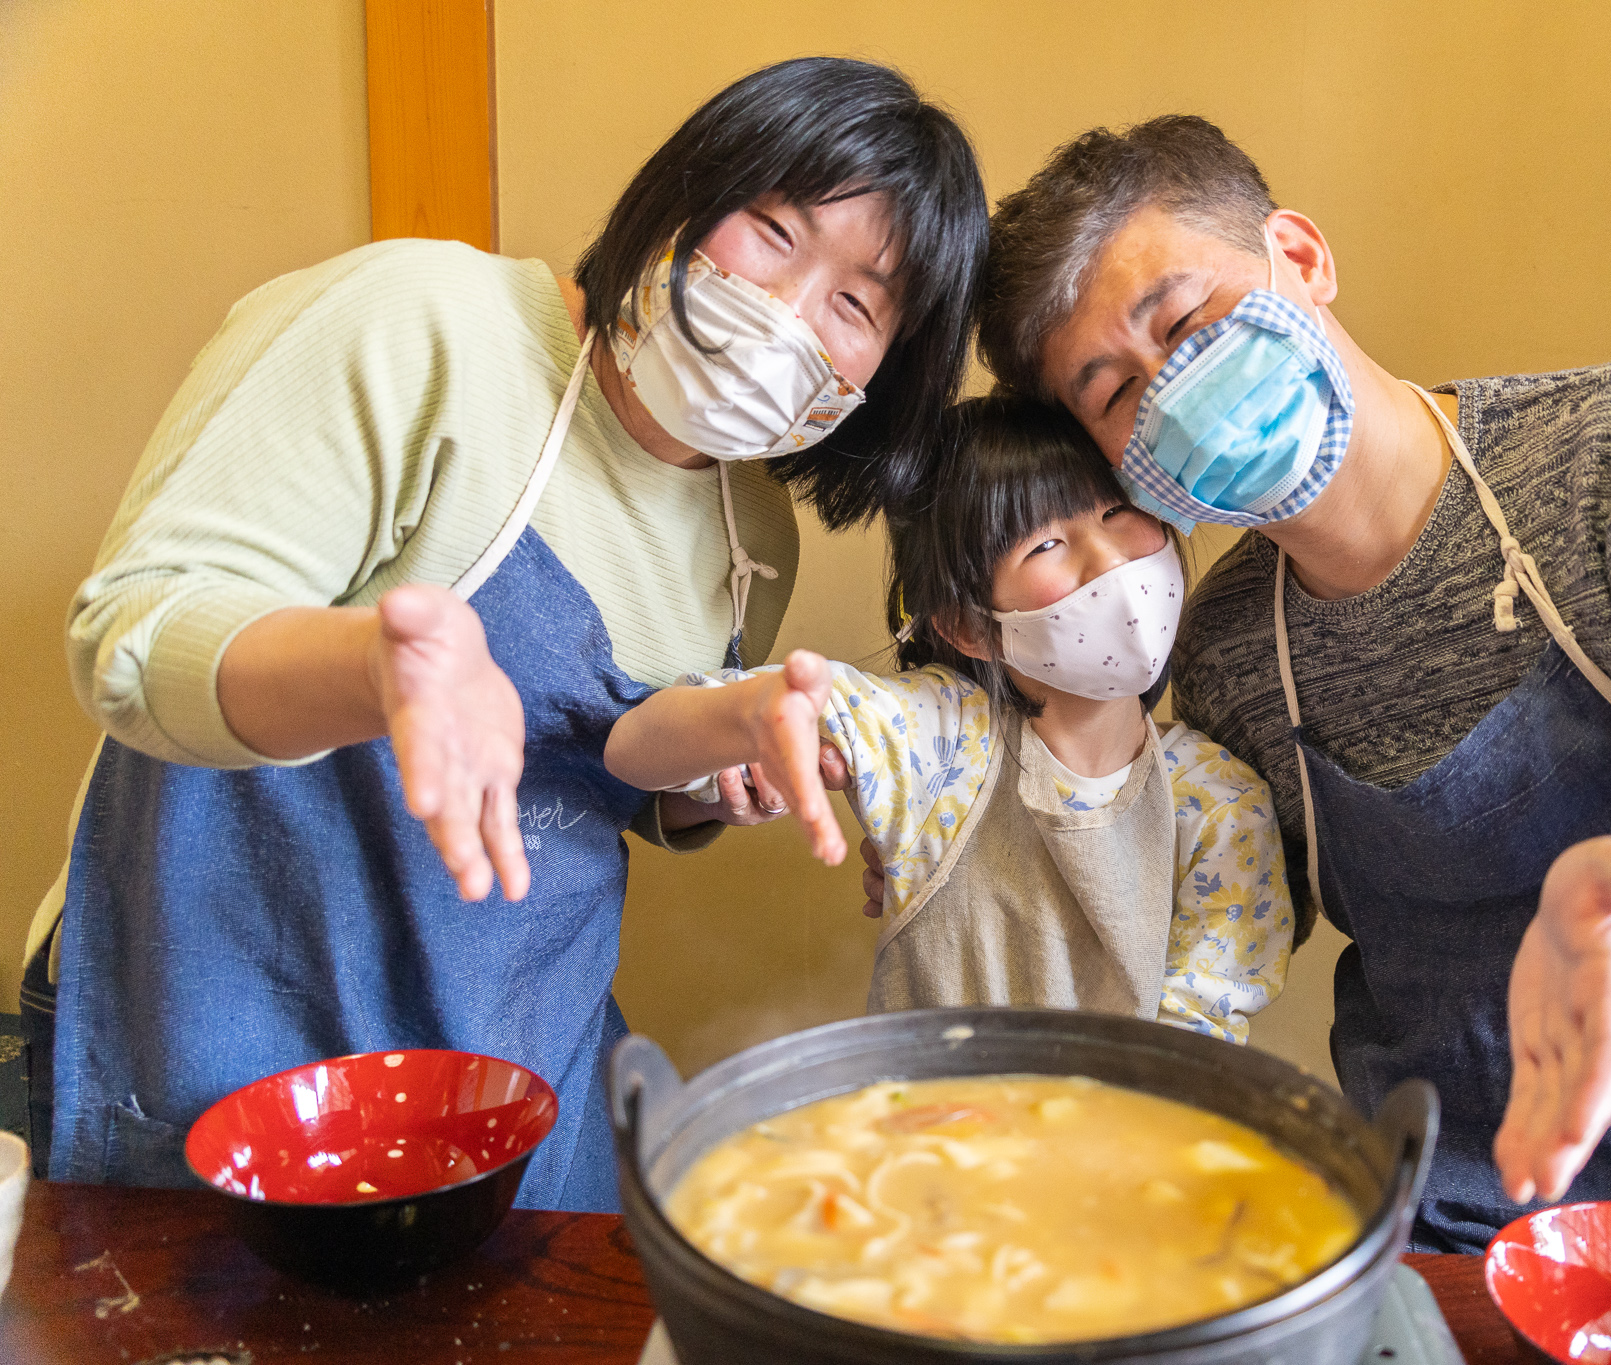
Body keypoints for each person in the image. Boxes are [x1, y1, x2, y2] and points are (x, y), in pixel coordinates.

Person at [961, 116, 1611, 1269]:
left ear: (1301, 257)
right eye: (1115, 393)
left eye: (1185, 324)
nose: (1173, 394)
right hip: (1443, 1240)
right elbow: (1202, 925)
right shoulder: (1225, 651)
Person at [24, 58, 985, 1212]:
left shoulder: (753, 534)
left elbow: (608, 784)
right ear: (682, 192)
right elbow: (135, 636)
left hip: (518, 1068)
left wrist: (722, 767)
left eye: (855, 305)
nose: (787, 312)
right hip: (228, 1027)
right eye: (773, 232)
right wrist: (377, 671)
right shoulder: (421, 322)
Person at [605, 397, 1292, 1040]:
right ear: (969, 626)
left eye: (1117, 511)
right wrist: (746, 718)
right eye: (1045, 544)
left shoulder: (1221, 803)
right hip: (925, 1124)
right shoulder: (941, 741)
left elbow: (1195, 1043)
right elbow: (631, 750)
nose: (1109, 559)